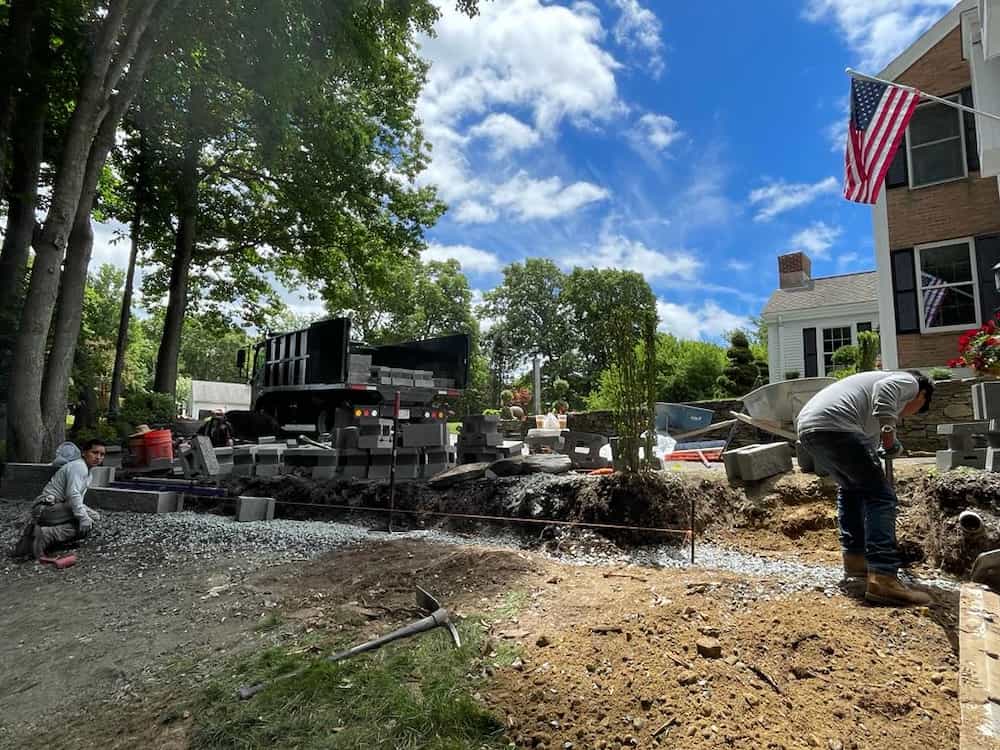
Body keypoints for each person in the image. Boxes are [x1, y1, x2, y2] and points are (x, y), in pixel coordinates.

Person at [797, 370, 934, 606]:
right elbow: (886, 391)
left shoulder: (866, 407)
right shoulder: (909, 381)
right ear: (921, 395)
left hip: (811, 428)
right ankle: (884, 577)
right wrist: (889, 435)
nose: (906, 415)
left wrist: (885, 445)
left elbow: (867, 450)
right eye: (917, 409)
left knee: (851, 490)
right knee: (880, 496)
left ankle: (856, 560)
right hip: (835, 425)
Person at [11, 439, 106, 560]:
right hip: (46, 508)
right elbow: (73, 495)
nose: (98, 457)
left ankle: (40, 536)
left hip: (55, 509)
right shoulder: (79, 466)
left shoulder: (87, 473)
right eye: (95, 452)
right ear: (84, 453)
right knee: (87, 521)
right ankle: (46, 535)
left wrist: (86, 515)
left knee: (91, 520)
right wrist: (83, 517)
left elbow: (76, 500)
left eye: (102, 454)